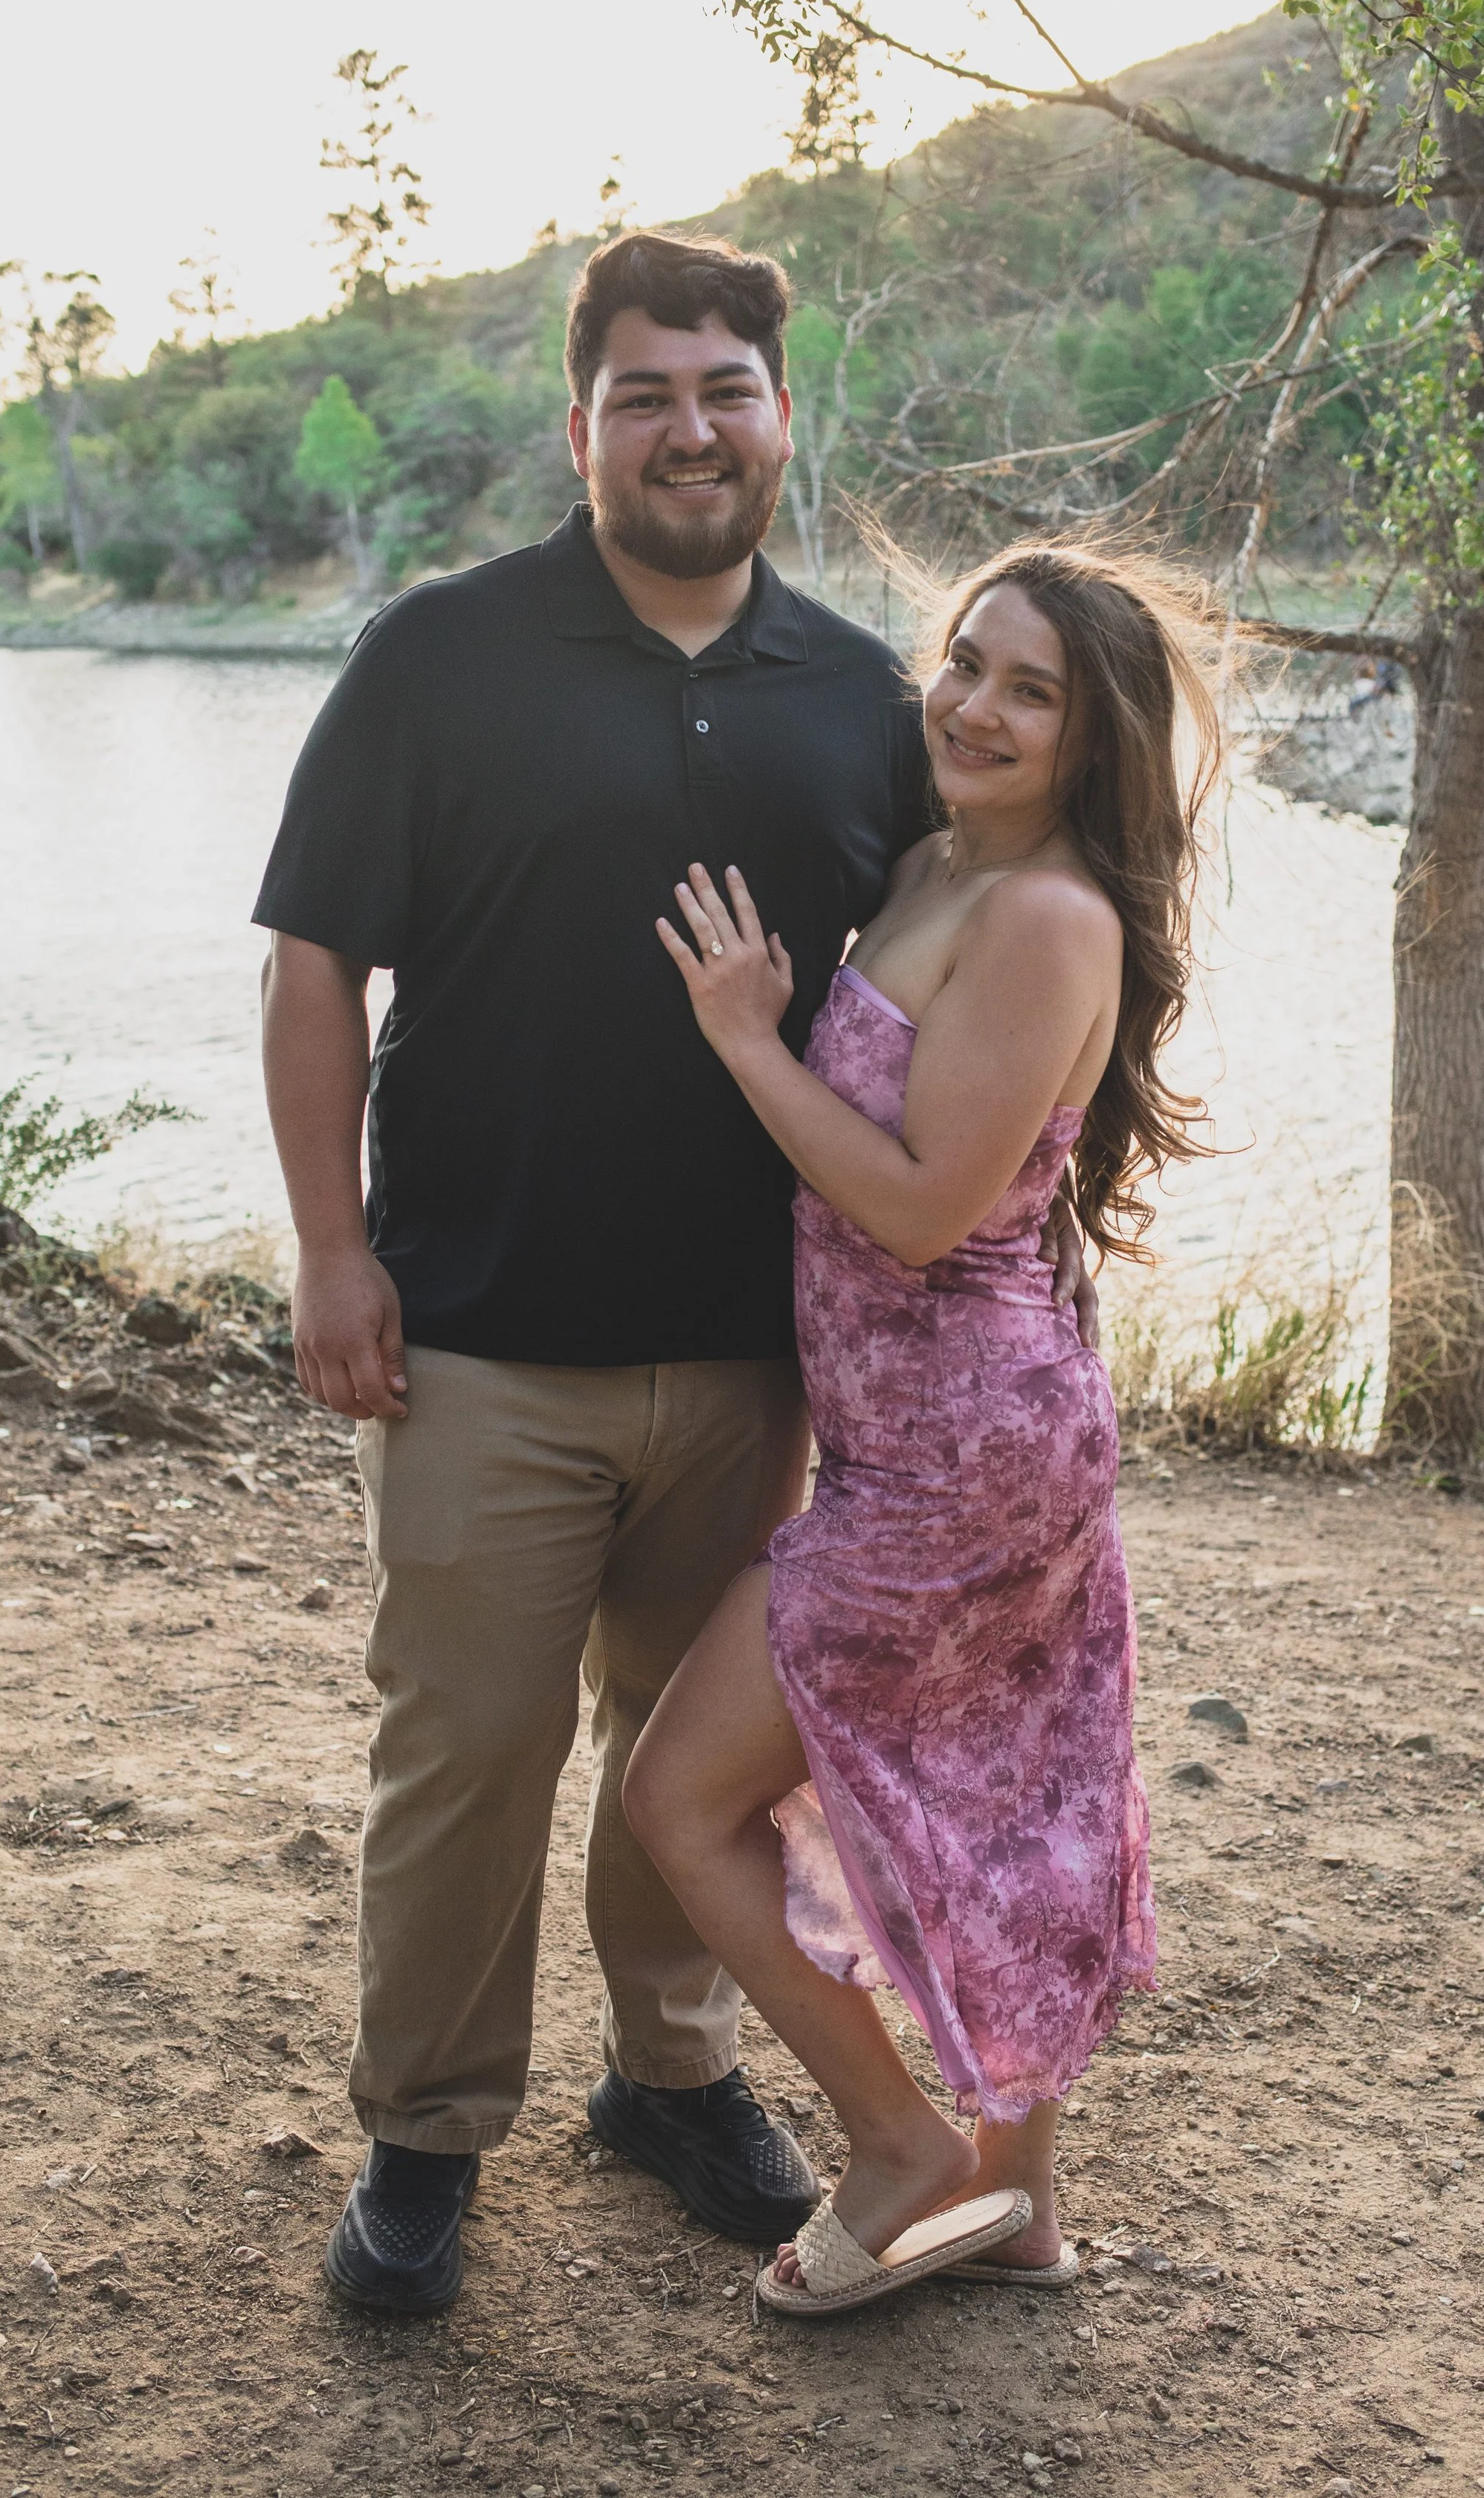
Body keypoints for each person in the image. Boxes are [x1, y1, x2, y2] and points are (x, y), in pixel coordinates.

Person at [252, 230, 1094, 2314]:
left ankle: (670, 2073)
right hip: (477, 1334)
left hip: (756, 1357)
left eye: (724, 387)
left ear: (780, 415)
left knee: (696, 1746)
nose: (688, 426)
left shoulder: (859, 697)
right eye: (644, 393)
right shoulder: (435, 657)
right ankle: (425, 2127)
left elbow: (976, 980)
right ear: (581, 426)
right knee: (465, 1739)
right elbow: (308, 964)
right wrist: (333, 1248)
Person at [625, 543, 1216, 2316]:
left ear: (1088, 736)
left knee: (679, 1795)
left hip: (964, 1459)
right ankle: (1018, 2206)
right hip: (930, 1437)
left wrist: (743, 1039)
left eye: (1027, 689)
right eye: (965, 663)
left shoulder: (1044, 918)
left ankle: (895, 2147)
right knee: (991, 1807)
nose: (972, 706)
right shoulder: (939, 865)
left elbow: (914, 1206)